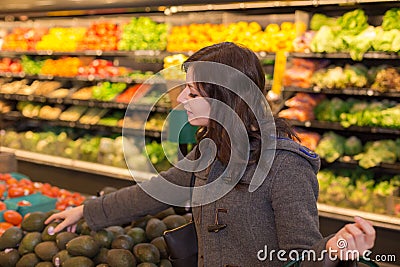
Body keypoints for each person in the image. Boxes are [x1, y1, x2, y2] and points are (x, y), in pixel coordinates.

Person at [46, 42, 375, 267]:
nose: (180, 101)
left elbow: (302, 254)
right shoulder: (213, 148)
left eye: (191, 92)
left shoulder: (285, 165)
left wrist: (338, 247)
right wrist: (86, 212)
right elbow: (157, 191)